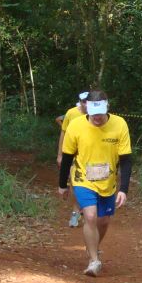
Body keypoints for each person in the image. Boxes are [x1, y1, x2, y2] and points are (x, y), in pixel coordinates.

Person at [58, 90, 132, 276]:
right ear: (87, 110)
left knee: (103, 221)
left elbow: (126, 160)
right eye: (93, 114)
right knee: (90, 216)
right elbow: (67, 157)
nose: (97, 118)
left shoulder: (120, 124)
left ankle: (93, 246)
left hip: (108, 181)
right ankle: (94, 261)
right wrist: (62, 184)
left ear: (107, 108)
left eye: (100, 113)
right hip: (83, 179)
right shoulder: (76, 125)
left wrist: (123, 189)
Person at [58, 91, 89, 227]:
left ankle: (86, 210)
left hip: (90, 156)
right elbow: (63, 134)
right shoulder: (71, 113)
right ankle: (76, 212)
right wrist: (60, 155)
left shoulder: (96, 115)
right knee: (74, 183)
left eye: (88, 101)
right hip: (73, 154)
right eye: (83, 101)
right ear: (80, 102)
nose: (86, 104)